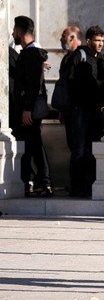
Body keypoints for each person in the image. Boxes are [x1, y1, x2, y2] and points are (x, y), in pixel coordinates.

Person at [12, 15, 53, 197]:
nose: (13, 33)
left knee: (34, 145)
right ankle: (33, 182)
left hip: (31, 108)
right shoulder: (31, 54)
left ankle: (44, 182)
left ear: (20, 32)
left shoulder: (31, 53)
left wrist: (27, 108)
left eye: (14, 30)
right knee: (30, 145)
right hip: (30, 107)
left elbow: (34, 85)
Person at [67, 25, 104, 197]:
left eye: (102, 41)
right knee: (80, 149)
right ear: (88, 40)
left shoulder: (101, 61)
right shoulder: (80, 56)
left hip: (95, 111)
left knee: (94, 149)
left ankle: (91, 185)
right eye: (97, 40)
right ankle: (77, 187)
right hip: (80, 110)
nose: (100, 44)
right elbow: (71, 82)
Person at [58, 26, 83, 149]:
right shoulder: (66, 58)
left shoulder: (82, 56)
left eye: (63, 36)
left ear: (72, 38)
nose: (61, 39)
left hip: (79, 110)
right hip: (68, 110)